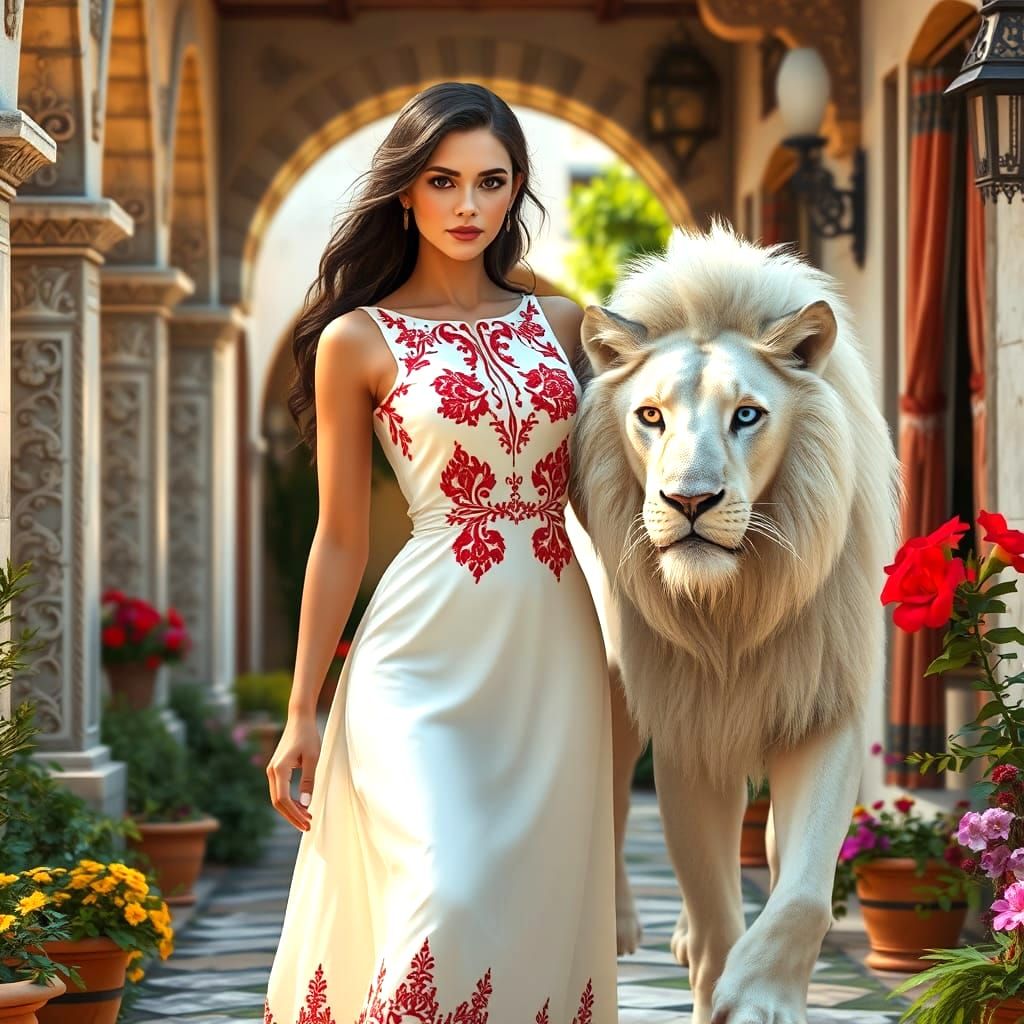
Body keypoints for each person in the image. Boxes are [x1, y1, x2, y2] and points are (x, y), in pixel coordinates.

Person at [261, 82, 617, 1024]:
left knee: (527, 906)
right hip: (417, 650)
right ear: (406, 191)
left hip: (552, 650)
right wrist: (301, 711)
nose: (467, 205)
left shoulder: (565, 326)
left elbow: (610, 500)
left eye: (490, 182)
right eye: (443, 180)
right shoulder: (356, 340)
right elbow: (338, 539)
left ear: (515, 190)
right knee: (442, 889)